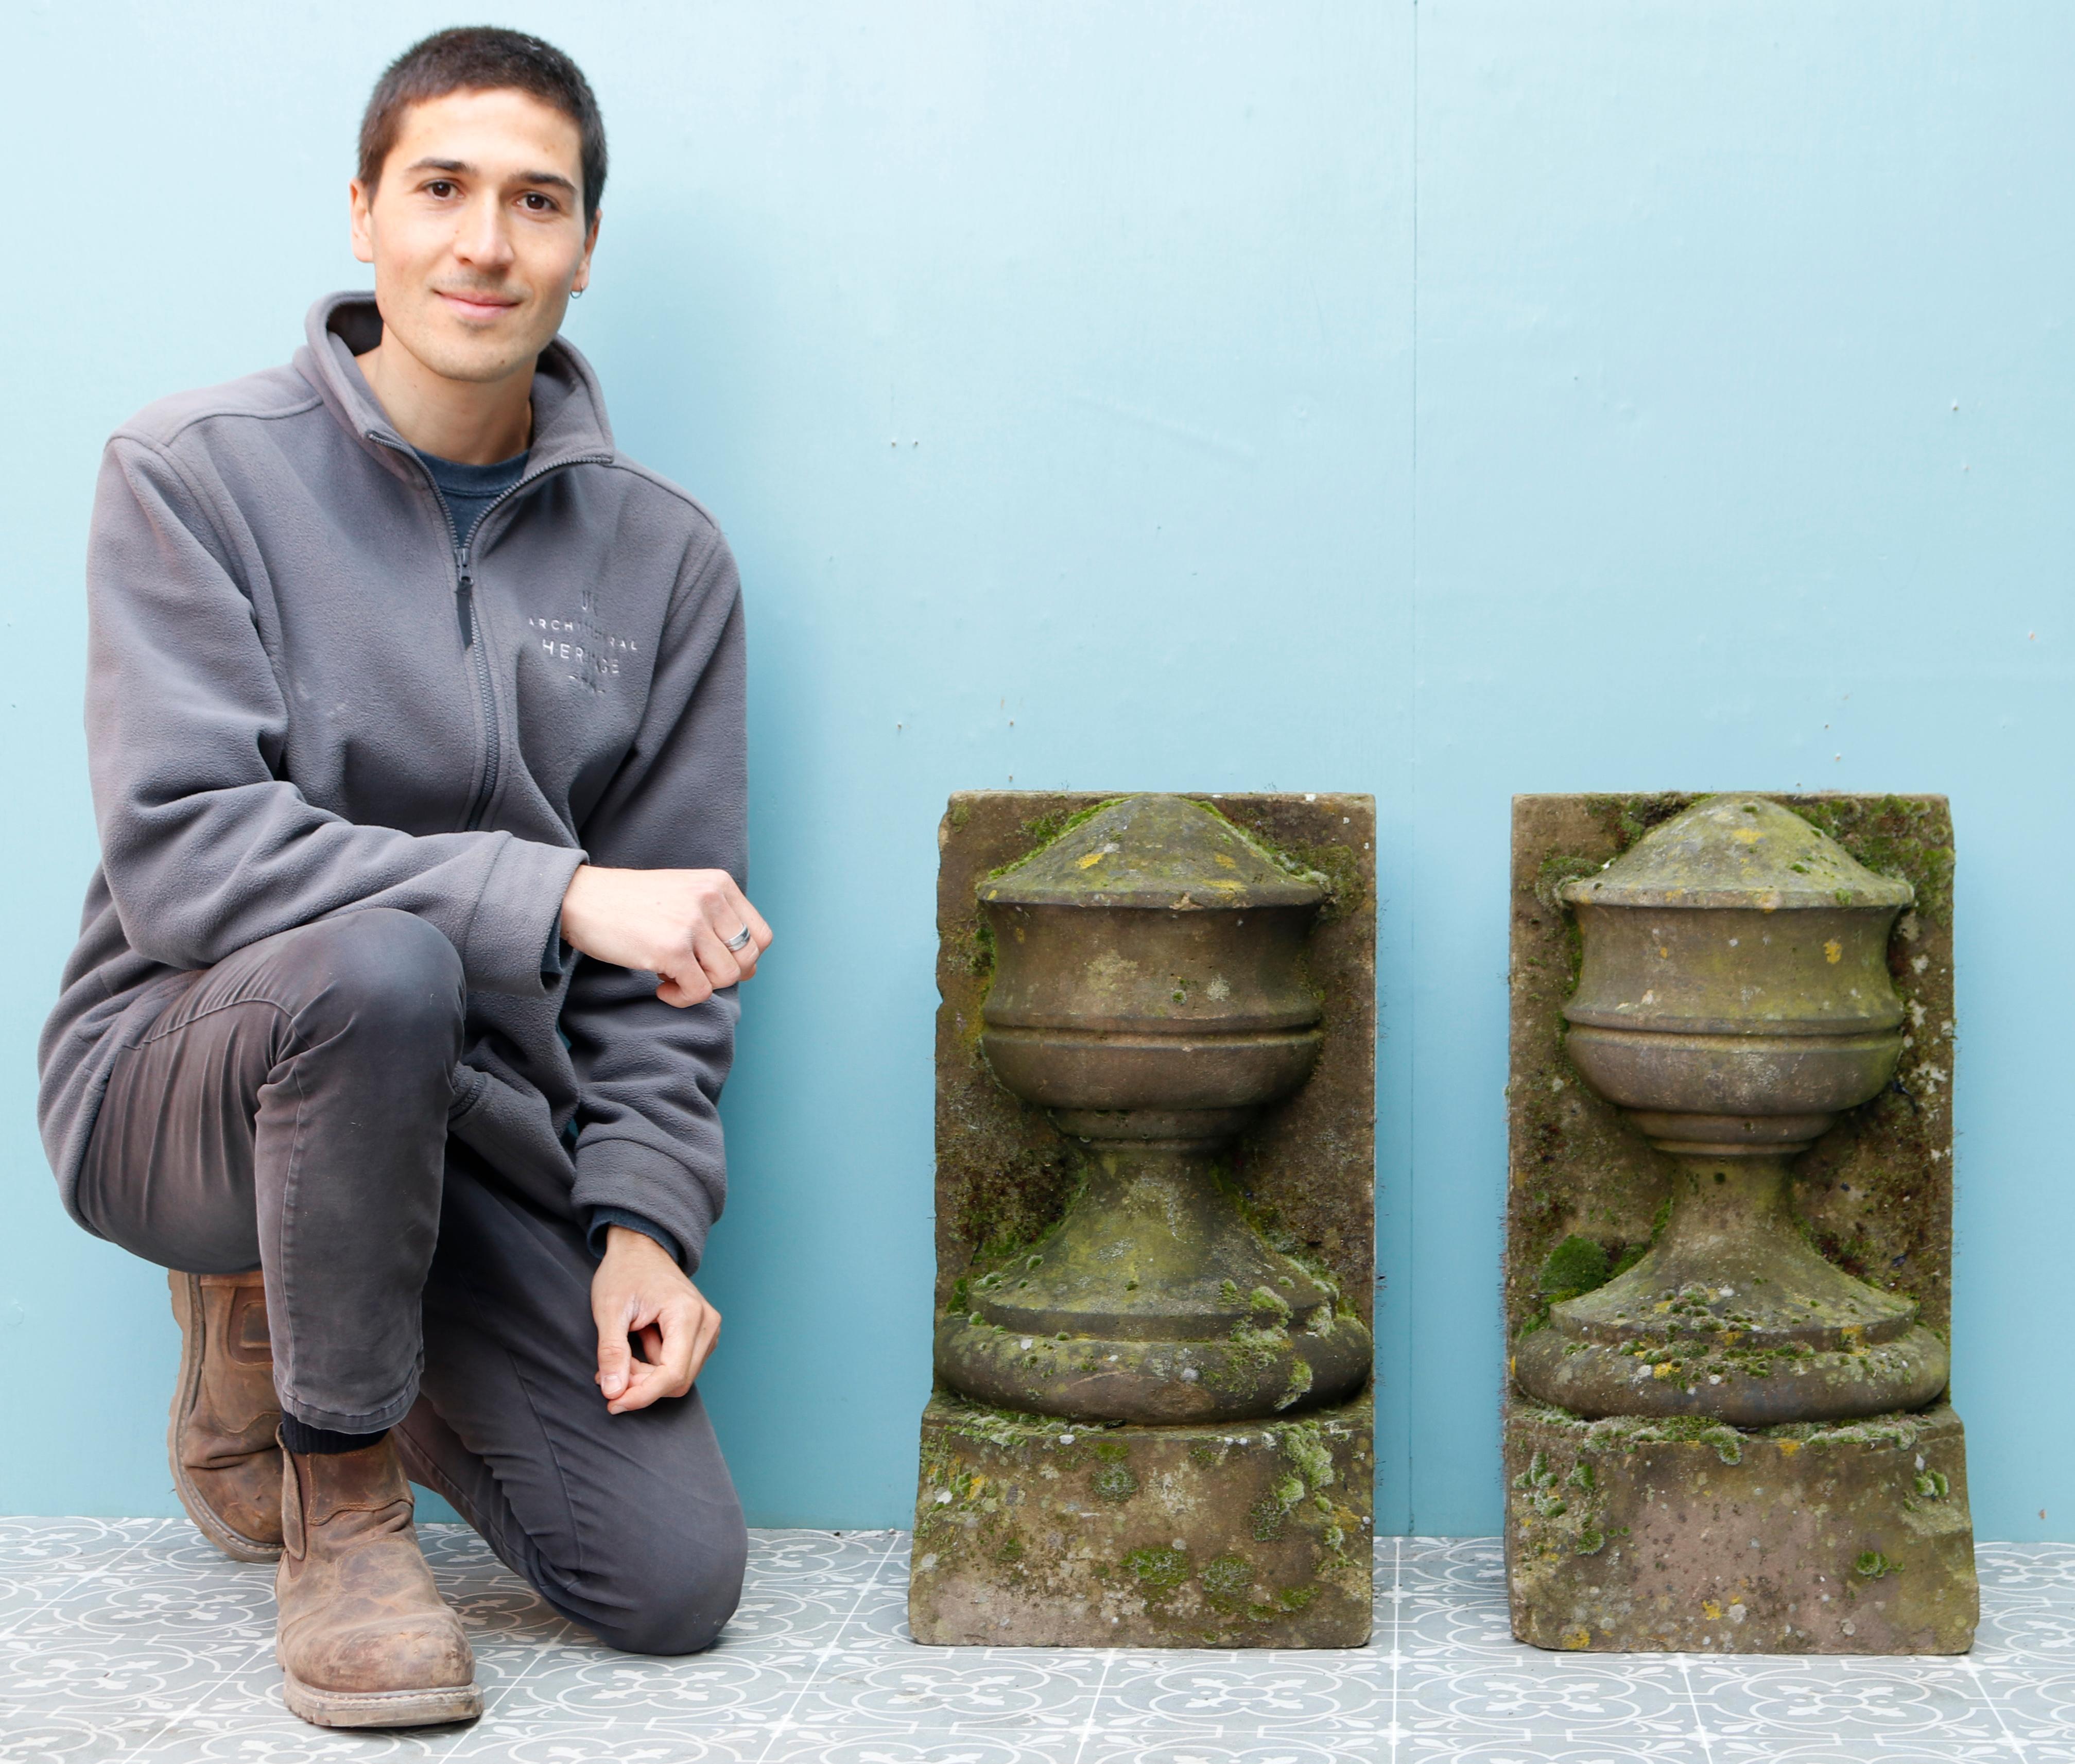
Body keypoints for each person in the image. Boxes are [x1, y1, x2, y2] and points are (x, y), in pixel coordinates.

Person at [35, 27, 770, 1730]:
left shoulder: (668, 561)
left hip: (468, 1128)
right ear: (362, 214)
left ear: (588, 246)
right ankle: (340, 1494)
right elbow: (185, 852)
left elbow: (683, 960)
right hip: (178, 1079)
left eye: (536, 201)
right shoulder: (192, 473)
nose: (484, 243)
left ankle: (310, 1299)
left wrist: (647, 1219)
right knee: (380, 969)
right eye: (440, 189)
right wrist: (560, 894)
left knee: (672, 1581)